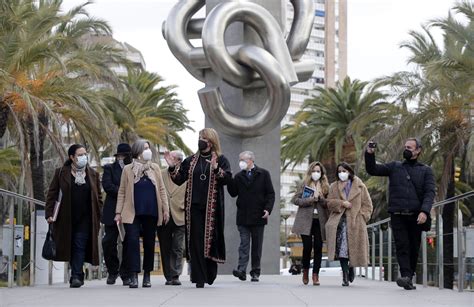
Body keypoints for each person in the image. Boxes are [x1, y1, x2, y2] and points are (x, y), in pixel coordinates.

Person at [164, 128, 232, 288]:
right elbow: (179, 179)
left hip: (212, 209)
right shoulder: (191, 160)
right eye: (199, 137)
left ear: (211, 141)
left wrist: (215, 168)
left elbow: (228, 179)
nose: (200, 140)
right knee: (196, 241)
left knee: (210, 240)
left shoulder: (221, 159)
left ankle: (209, 273)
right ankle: (198, 278)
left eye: (204, 138)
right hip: (193, 207)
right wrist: (172, 166)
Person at [365, 138, 435, 290]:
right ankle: (406, 276)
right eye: (405, 147)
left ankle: (408, 277)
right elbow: (373, 170)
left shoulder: (426, 170)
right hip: (397, 214)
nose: (406, 149)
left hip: (416, 215)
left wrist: (424, 211)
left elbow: (430, 193)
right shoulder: (395, 166)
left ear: (418, 150)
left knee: (414, 246)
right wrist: (370, 152)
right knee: (402, 245)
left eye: (409, 147)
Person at [45, 144, 102, 288]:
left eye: (85, 154)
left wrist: (98, 214)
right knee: (70, 246)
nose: (84, 157)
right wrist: (49, 214)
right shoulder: (61, 173)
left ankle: (76, 275)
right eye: (80, 154)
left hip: (86, 218)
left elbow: (98, 197)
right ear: (72, 157)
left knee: (79, 244)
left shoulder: (93, 174)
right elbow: (52, 194)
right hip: (66, 218)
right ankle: (78, 273)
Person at [115, 140, 169, 288]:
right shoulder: (128, 169)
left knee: (149, 244)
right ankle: (133, 275)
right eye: (145, 148)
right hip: (132, 213)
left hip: (151, 212)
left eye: (148, 148)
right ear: (138, 151)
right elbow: (122, 191)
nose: (148, 151)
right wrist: (118, 212)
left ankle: (147, 275)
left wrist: (165, 210)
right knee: (132, 243)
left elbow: (162, 190)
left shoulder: (155, 168)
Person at [227, 151, 275, 283]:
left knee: (256, 246)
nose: (240, 162)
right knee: (244, 244)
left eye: (243, 159)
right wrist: (229, 179)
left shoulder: (263, 174)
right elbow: (233, 193)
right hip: (243, 216)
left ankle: (255, 271)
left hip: (259, 215)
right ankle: (241, 270)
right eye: (239, 159)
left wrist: (268, 209)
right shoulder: (238, 176)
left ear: (251, 160)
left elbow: (270, 194)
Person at [326, 162, 373, 287]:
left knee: (353, 248)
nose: (342, 173)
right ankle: (345, 275)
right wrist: (341, 203)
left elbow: (368, 205)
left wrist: (362, 217)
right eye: (339, 171)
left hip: (355, 222)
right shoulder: (333, 186)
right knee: (342, 249)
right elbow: (329, 203)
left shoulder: (360, 186)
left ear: (350, 172)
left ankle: (351, 267)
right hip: (339, 222)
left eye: (344, 170)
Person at [291, 161, 329, 286]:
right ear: (310, 172)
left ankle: (315, 275)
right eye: (314, 171)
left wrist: (321, 199)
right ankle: (305, 272)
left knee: (318, 247)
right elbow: (295, 200)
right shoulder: (304, 184)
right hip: (305, 220)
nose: (316, 173)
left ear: (321, 173)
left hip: (320, 221)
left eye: (318, 171)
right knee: (307, 247)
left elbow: (328, 203)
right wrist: (311, 199)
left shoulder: (325, 186)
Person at [101, 143, 132, 286]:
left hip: (129, 211)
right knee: (108, 242)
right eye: (122, 155)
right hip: (112, 211)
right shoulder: (109, 169)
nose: (124, 158)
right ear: (118, 156)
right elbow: (107, 186)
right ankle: (112, 270)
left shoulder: (133, 169)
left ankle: (125, 273)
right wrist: (123, 191)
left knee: (128, 243)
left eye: (126, 156)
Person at [158, 150, 186, 286]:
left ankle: (175, 275)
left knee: (178, 246)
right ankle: (168, 275)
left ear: (179, 161)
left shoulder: (186, 175)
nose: (170, 160)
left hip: (181, 214)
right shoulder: (161, 173)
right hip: (164, 215)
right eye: (169, 158)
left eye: (173, 158)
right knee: (165, 246)